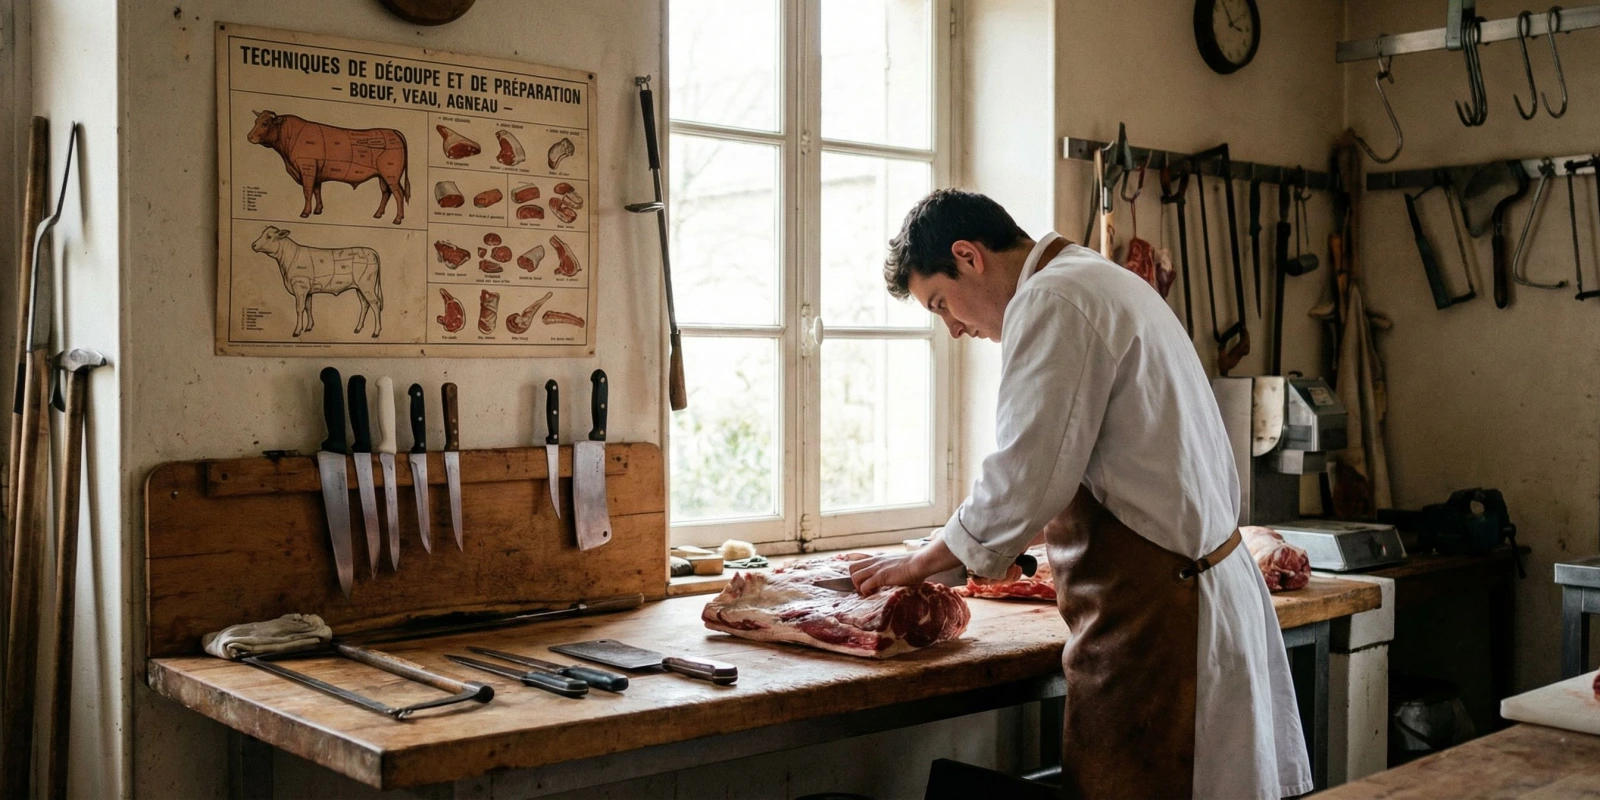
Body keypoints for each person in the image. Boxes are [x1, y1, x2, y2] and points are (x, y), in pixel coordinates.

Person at [848, 189, 1312, 799]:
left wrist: (920, 563)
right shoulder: (1093, 278)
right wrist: (965, 547)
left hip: (1160, 622)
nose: (954, 329)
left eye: (941, 304)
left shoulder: (1052, 299)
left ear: (968, 256)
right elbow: (1077, 472)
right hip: (1193, 597)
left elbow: (1025, 475)